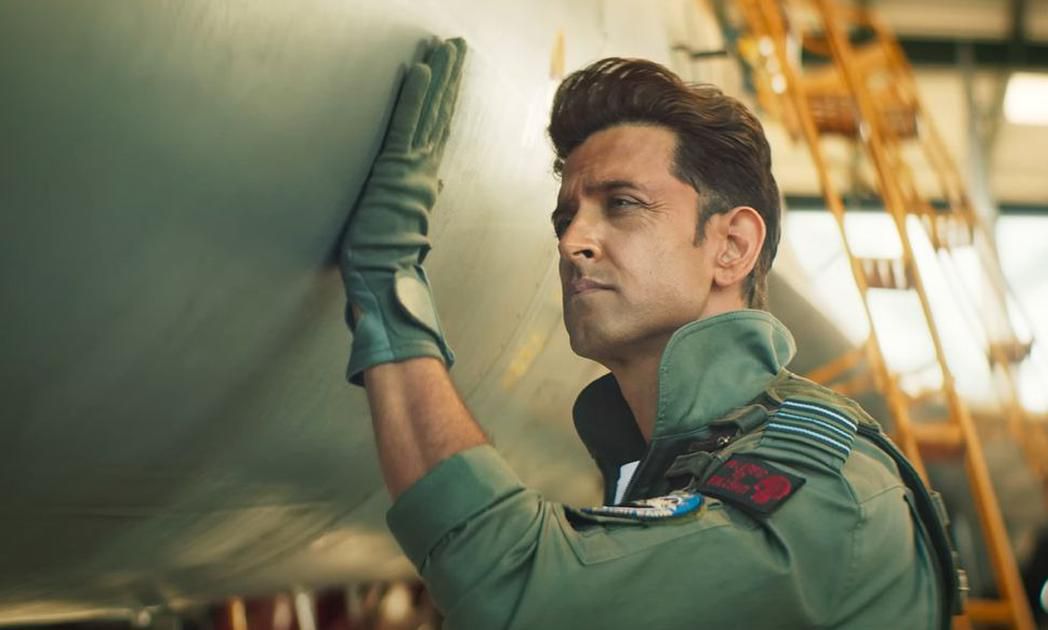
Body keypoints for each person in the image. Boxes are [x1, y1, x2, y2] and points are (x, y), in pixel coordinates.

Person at [339, 37, 963, 629]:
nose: (572, 241)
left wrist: (390, 293)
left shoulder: (826, 493)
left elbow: (529, 598)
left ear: (732, 247)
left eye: (623, 205)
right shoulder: (688, 462)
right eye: (566, 216)